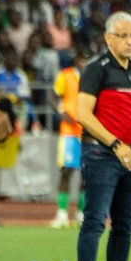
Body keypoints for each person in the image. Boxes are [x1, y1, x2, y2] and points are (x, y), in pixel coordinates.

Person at [73, 13, 131, 261]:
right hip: (101, 154)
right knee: (95, 221)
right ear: (108, 38)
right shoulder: (96, 70)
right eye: (123, 36)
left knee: (124, 224)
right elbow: (82, 114)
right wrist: (116, 144)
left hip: (129, 155)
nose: (130, 42)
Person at [50, 50, 89, 228]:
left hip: (88, 132)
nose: (85, 64)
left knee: (86, 174)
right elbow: (53, 98)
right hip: (69, 132)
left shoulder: (93, 77)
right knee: (66, 171)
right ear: (77, 59)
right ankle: (61, 214)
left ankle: (81, 214)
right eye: (83, 59)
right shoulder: (65, 76)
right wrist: (61, 111)